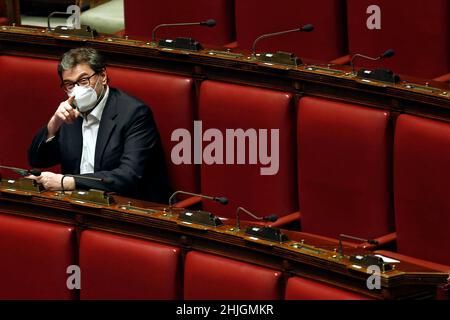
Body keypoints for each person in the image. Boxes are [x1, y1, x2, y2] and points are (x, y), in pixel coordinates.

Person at [28, 47, 171, 203]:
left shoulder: (134, 113)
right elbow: (37, 160)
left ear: (102, 76)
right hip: (77, 204)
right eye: (69, 85)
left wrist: (67, 182)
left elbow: (128, 176)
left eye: (84, 81)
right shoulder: (69, 112)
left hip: (126, 206)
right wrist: (53, 124)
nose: (77, 91)